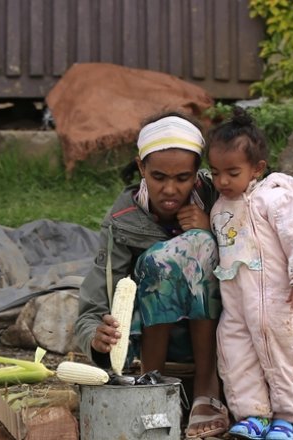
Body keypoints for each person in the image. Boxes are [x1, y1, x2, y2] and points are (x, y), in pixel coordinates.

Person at [74, 112, 228, 439]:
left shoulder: (222, 195)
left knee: (198, 243)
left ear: (198, 170)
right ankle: (150, 381)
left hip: (219, 341)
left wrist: (212, 230)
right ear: (141, 167)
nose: (170, 189)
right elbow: (90, 309)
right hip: (156, 342)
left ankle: (206, 386)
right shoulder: (122, 222)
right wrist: (96, 340)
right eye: (158, 176)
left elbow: (257, 260)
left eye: (183, 178)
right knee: (164, 259)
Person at [207, 108, 293, 440]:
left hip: (277, 301)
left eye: (232, 172)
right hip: (237, 303)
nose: (222, 181)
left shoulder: (276, 198)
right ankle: (252, 414)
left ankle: (286, 416)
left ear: (256, 169)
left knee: (282, 354)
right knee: (236, 355)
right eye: (215, 172)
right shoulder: (219, 208)